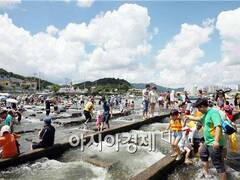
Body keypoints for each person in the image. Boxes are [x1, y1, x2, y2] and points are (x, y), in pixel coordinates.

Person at [186, 98, 226, 180]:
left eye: (198, 108)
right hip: (207, 142)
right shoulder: (205, 114)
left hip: (213, 143)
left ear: (203, 106)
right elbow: (198, 119)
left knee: (218, 165)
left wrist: (216, 141)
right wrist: (188, 117)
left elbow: (218, 126)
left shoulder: (213, 113)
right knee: (202, 153)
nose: (198, 110)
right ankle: (206, 173)